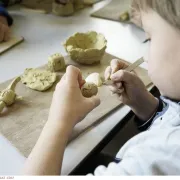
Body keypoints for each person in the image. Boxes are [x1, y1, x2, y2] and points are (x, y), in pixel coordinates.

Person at [23, 0, 180, 175]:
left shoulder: (158, 159)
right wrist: (146, 106)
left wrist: (58, 123)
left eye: (149, 38)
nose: (145, 54)